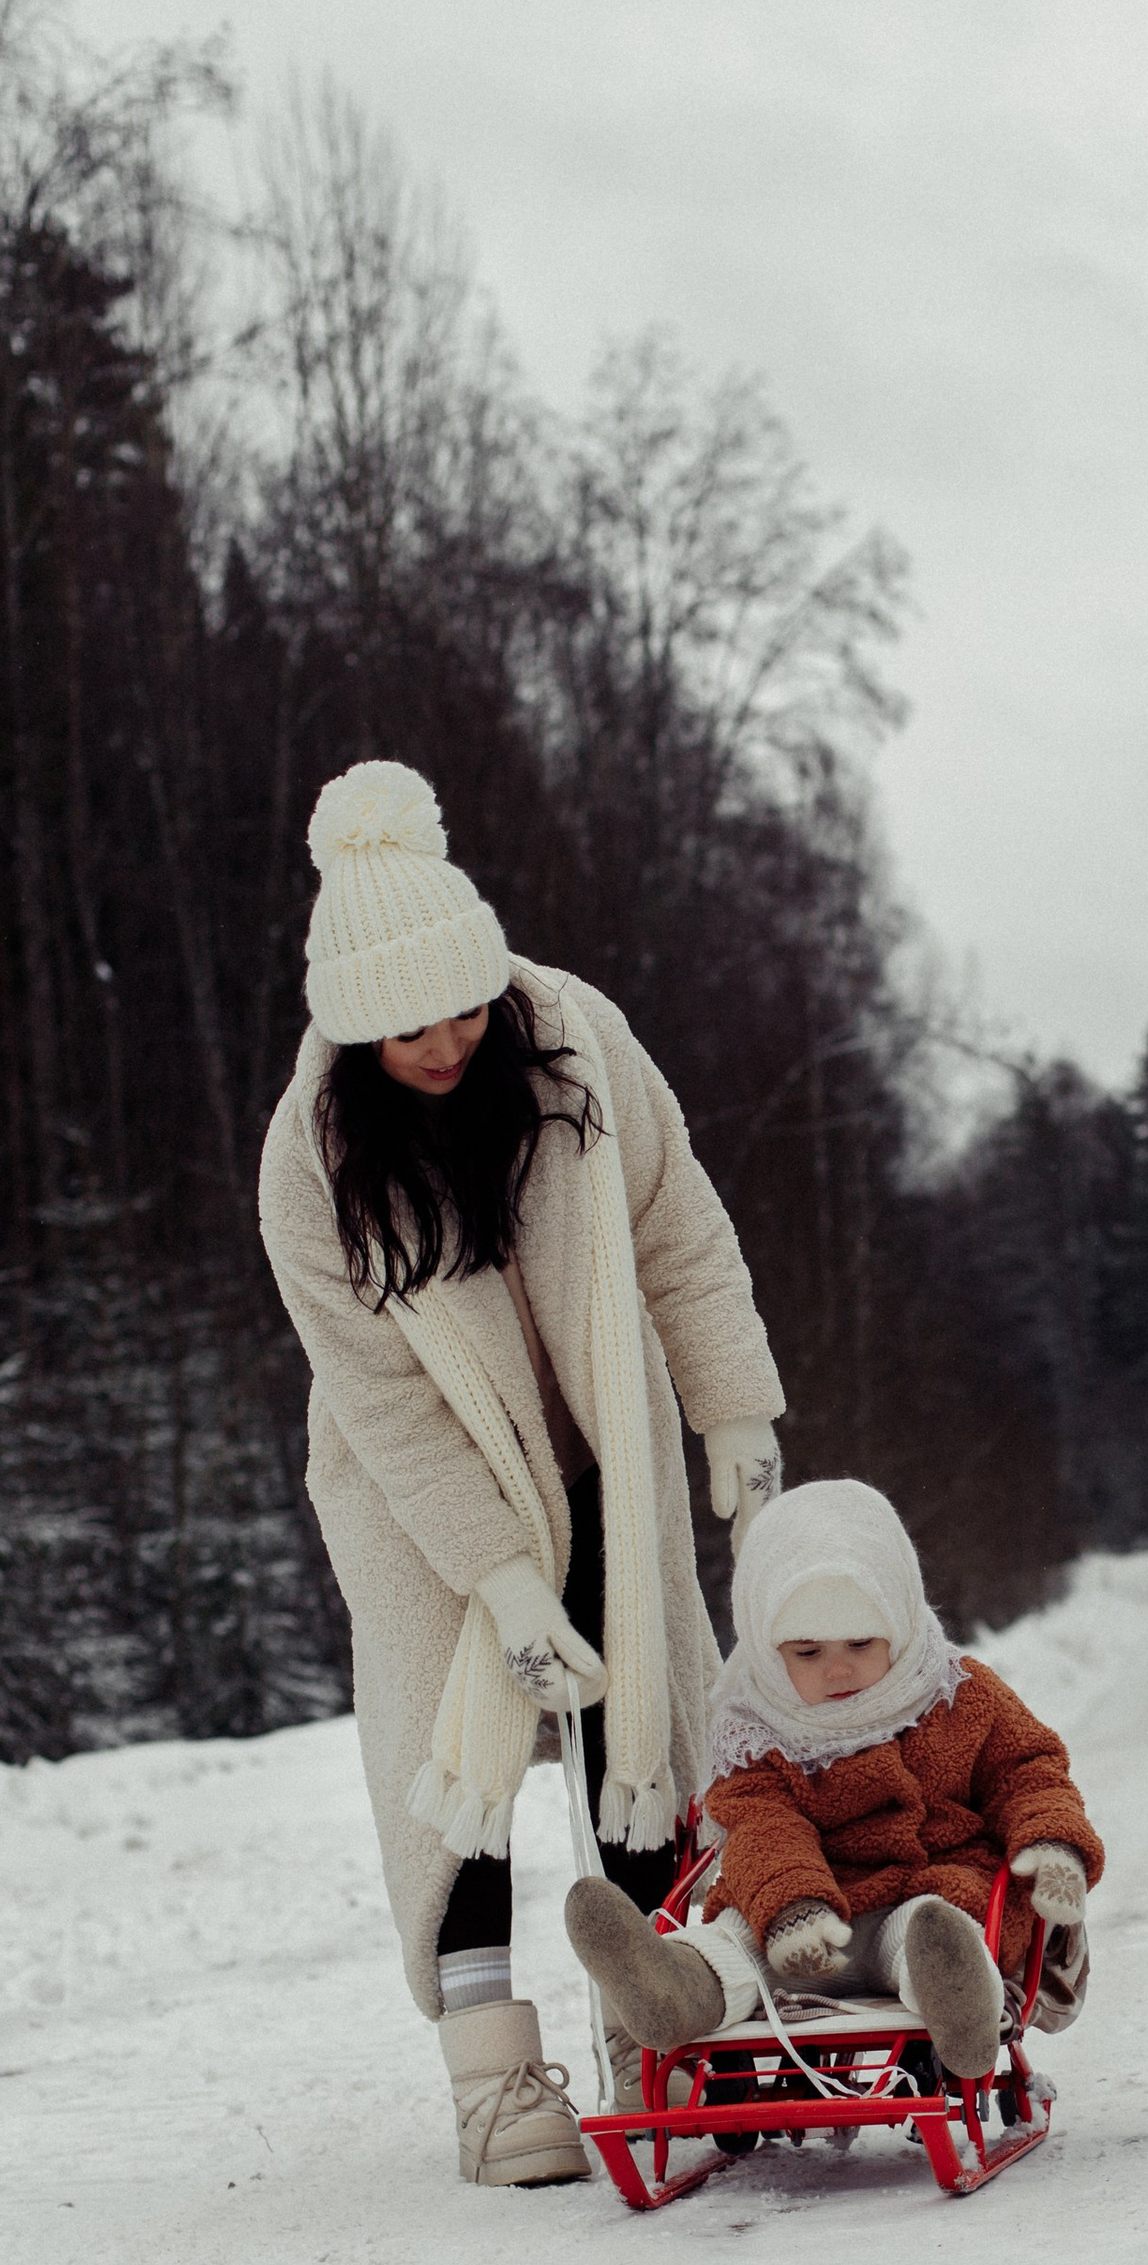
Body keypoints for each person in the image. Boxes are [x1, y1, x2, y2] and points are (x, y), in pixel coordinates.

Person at [257, 758, 785, 2188]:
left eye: (463, 1004)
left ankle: (656, 2029)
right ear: (354, 1028)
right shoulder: (308, 1169)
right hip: (420, 1494)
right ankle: (495, 2083)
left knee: (640, 1740)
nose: (445, 1039)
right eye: (408, 1025)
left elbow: (679, 1227)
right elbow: (381, 1402)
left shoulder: (578, 1042)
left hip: (604, 1442)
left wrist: (732, 1406)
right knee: (459, 1766)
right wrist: (498, 1579)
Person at [566, 1477, 1100, 2081]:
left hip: (926, 1901)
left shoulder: (958, 1695)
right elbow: (760, 1827)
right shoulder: (758, 1729)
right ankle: (674, 1988)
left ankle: (958, 2003)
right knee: (734, 1942)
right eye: (808, 1652)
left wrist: (1052, 1840)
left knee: (934, 1929)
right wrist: (793, 1906)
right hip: (797, 1925)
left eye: (859, 1642)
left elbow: (1027, 1771)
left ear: (896, 1622)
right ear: (770, 1650)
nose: (839, 1668)